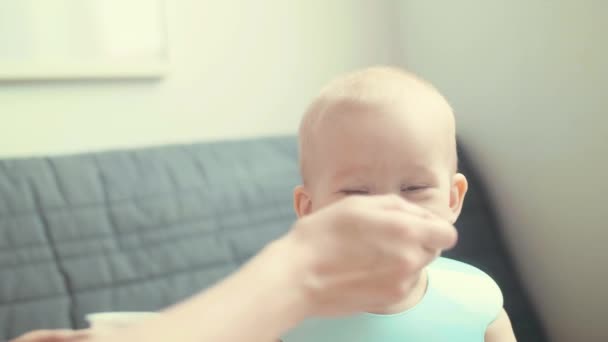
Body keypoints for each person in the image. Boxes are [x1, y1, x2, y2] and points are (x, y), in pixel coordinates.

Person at [11, 66, 514, 342]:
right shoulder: (279, 316)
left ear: (453, 199)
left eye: (414, 189)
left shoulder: (478, 298)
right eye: (355, 193)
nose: (386, 213)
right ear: (308, 208)